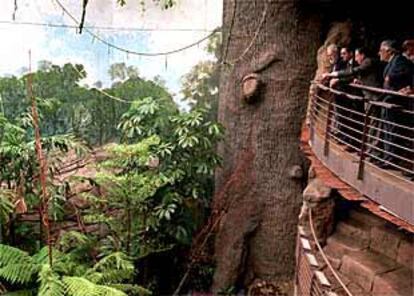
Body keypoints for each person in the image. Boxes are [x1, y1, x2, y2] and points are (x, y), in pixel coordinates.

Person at [376, 40, 413, 169]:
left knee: (392, 130)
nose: (379, 53)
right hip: (388, 101)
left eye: (381, 50)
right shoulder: (393, 62)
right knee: (387, 130)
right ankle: (387, 158)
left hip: (394, 101)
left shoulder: (399, 60)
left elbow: (397, 78)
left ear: (389, 51)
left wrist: (390, 79)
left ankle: (391, 160)